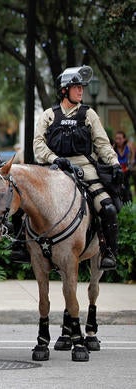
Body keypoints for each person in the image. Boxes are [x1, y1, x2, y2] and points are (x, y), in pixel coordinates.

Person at [27, 65, 121, 270]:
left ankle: (110, 252)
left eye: (82, 87)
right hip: (53, 169)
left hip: (85, 169)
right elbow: (38, 144)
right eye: (76, 87)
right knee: (25, 198)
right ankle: (21, 246)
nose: (81, 91)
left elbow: (102, 143)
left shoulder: (89, 115)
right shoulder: (48, 115)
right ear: (64, 90)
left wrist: (114, 163)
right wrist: (54, 158)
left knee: (108, 208)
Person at [113, 130, 134, 202]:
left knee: (127, 187)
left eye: (120, 138)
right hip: (118, 170)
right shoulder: (114, 148)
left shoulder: (129, 146)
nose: (118, 141)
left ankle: (129, 203)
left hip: (127, 170)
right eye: (116, 138)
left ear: (124, 139)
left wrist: (130, 166)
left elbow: (133, 157)